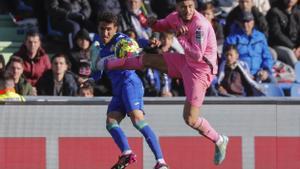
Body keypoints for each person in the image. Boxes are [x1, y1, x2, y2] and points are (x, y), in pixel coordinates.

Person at [97, 0, 229, 165]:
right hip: (184, 62)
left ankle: (219, 140)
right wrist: (152, 23)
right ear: (177, 7)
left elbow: (196, 54)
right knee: (146, 59)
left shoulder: (200, 25)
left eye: (190, 6)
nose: (187, 10)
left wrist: (180, 37)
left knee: (190, 119)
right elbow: (161, 25)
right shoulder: (175, 17)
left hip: (201, 71)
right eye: (183, 6)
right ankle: (108, 64)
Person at [95, 12, 169, 169]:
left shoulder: (121, 40)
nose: (105, 33)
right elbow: (99, 71)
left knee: (137, 119)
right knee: (111, 122)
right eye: (102, 29)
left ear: (116, 29)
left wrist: (148, 43)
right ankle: (127, 152)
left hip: (130, 84)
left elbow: (134, 45)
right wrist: (90, 79)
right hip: (118, 90)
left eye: (109, 29)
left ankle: (161, 162)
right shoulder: (100, 47)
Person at [223, 11, 275, 83]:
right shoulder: (232, 39)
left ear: (253, 22)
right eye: (242, 21)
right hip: (240, 74)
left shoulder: (260, 37)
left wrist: (266, 70)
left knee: (273, 82)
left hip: (259, 73)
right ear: (239, 23)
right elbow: (226, 59)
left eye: (248, 21)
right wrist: (242, 72)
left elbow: (267, 56)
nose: (245, 24)